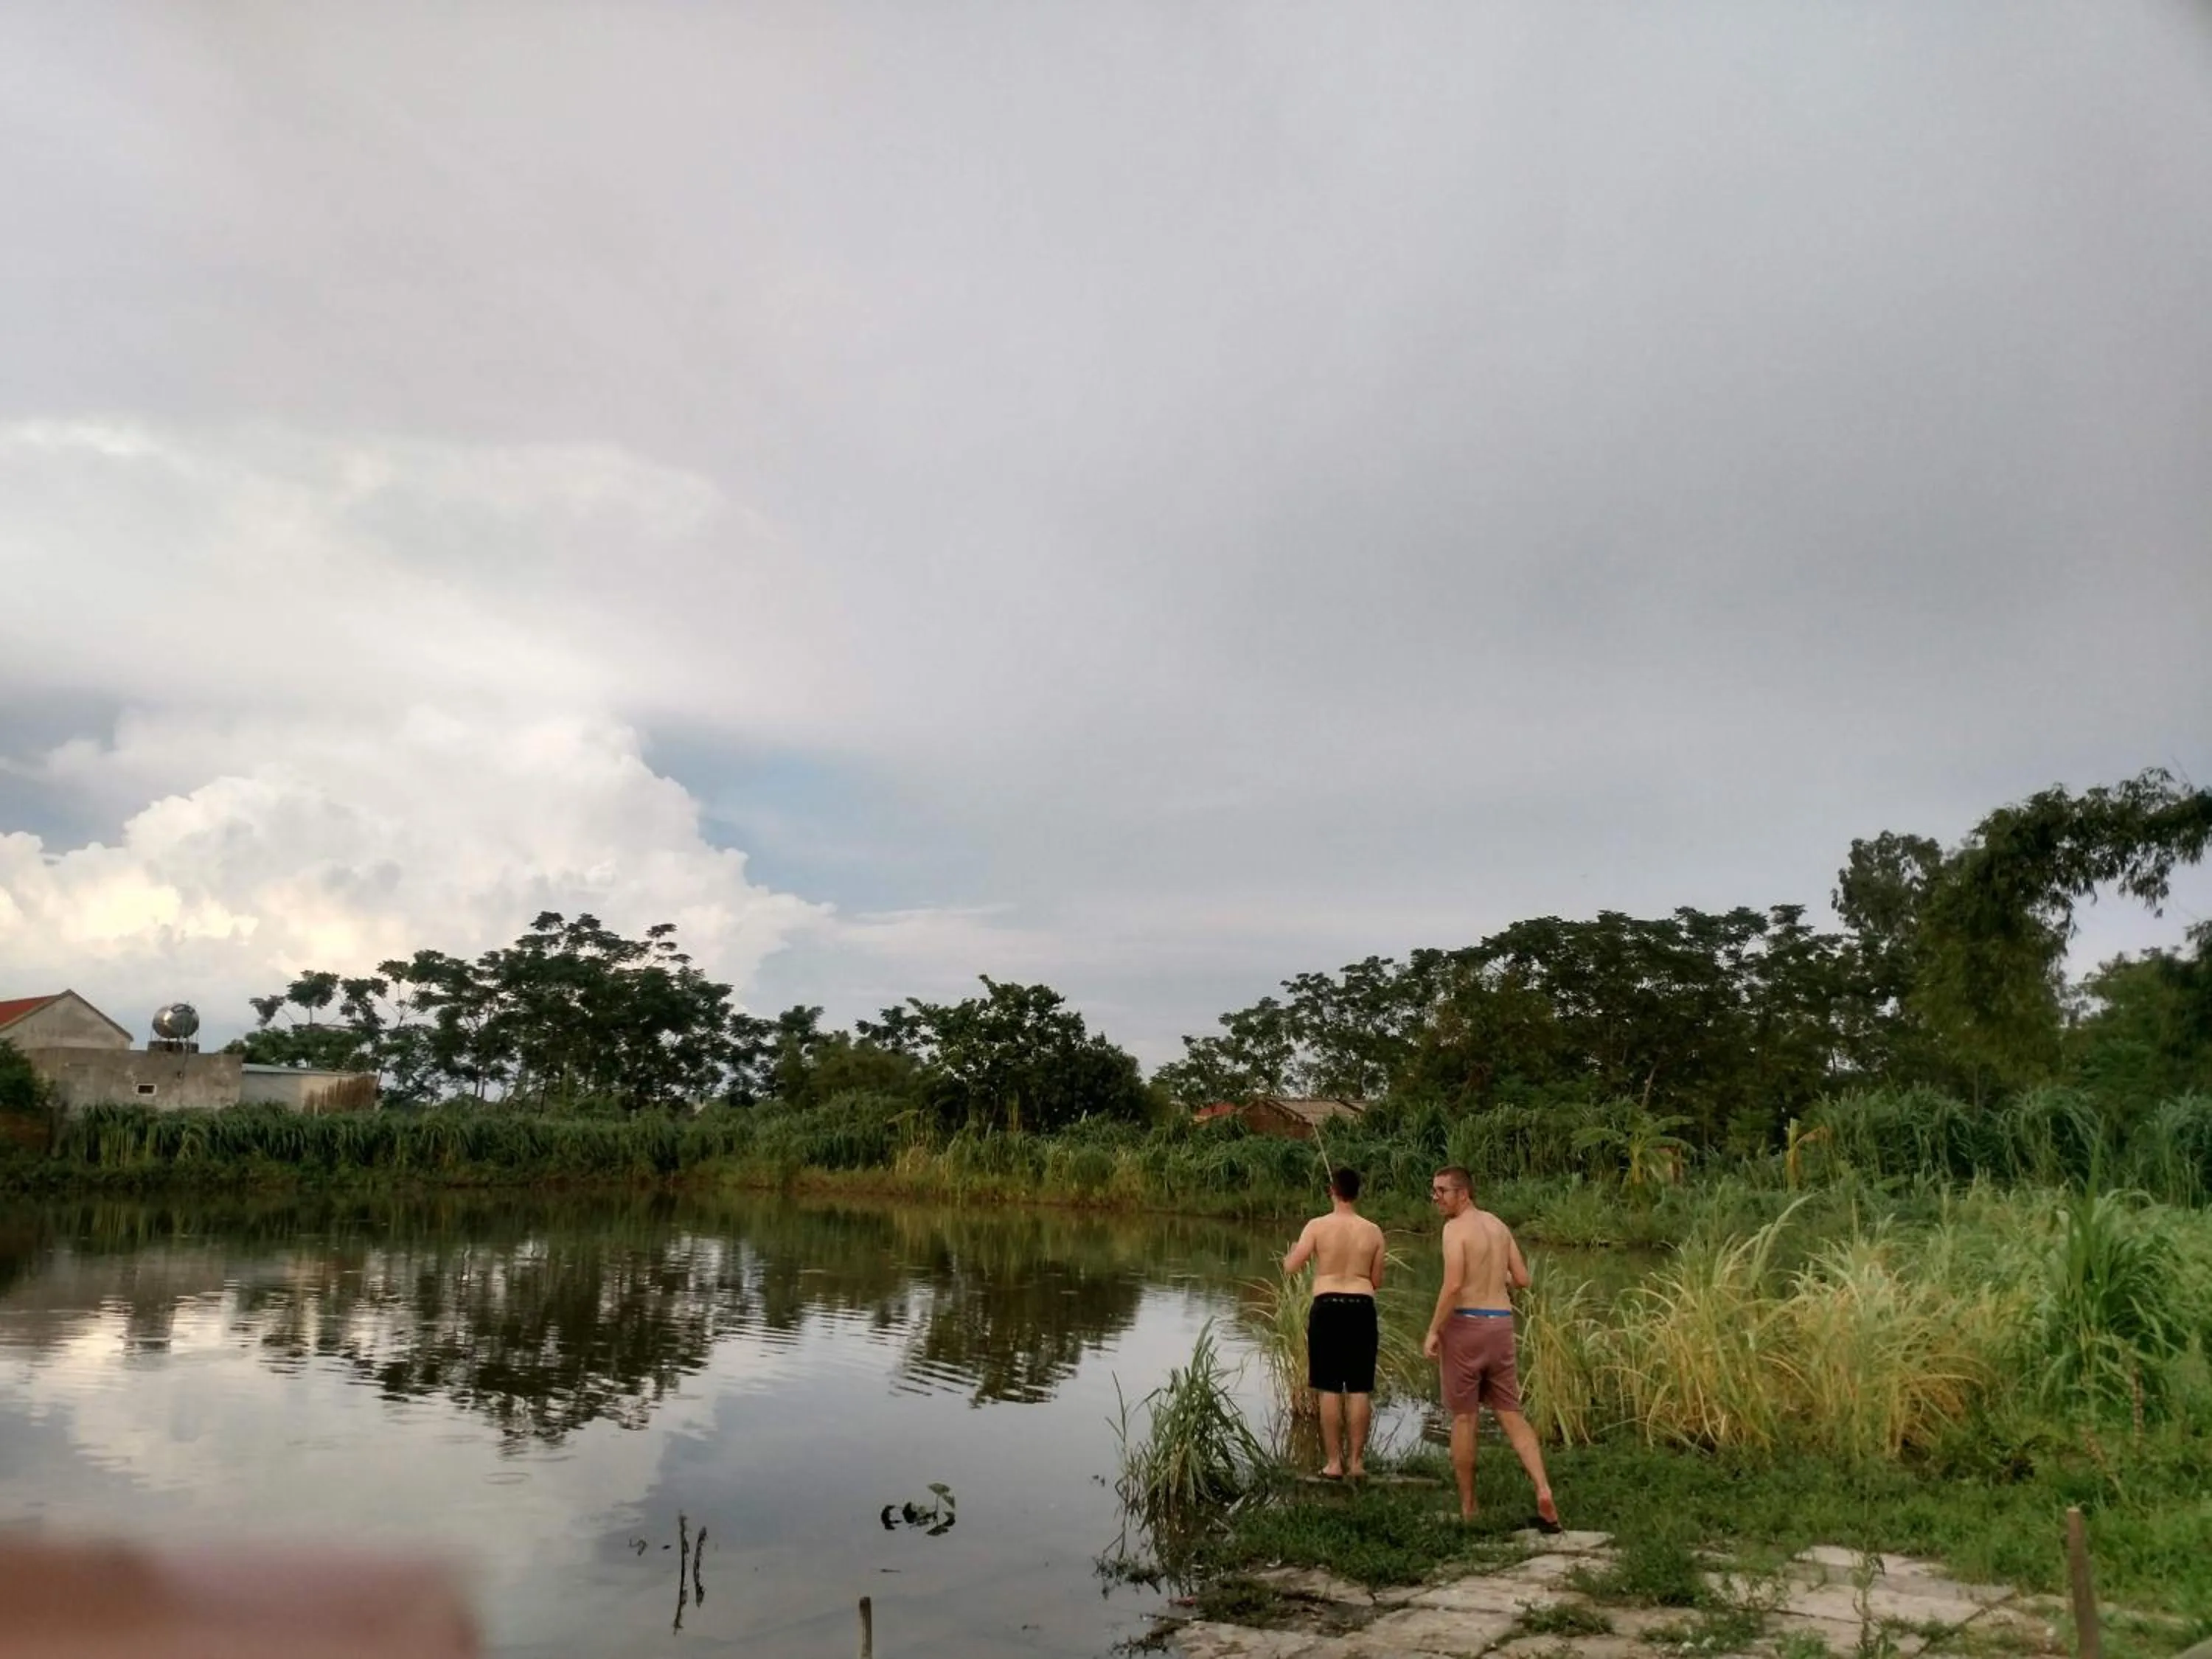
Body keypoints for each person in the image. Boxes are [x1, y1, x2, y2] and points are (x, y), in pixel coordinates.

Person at [1421, 1166, 1559, 1528]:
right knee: (1511, 1413)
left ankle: (1468, 1508)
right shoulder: (1498, 1226)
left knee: (1464, 1417)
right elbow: (1524, 1280)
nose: (1436, 1198)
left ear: (1463, 1193)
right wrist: (1496, 1277)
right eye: (1434, 1191)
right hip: (1500, 1324)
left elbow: (1452, 1286)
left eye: (1441, 1192)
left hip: (1466, 1325)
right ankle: (1543, 1488)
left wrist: (1434, 1330)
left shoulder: (1454, 1230)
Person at [1281, 1166, 1386, 1480]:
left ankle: (1333, 1463)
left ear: (1332, 1191)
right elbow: (1376, 1280)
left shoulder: (1316, 1226)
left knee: (1328, 1387)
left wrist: (1291, 1254)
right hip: (1361, 1306)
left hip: (1327, 1306)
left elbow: (1292, 1267)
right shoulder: (1374, 1231)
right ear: (1357, 1193)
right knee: (1359, 1388)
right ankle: (1356, 1463)